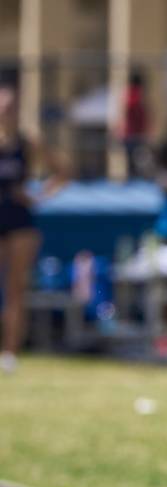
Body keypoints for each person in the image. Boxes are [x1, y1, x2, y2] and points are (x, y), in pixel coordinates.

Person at [0, 84, 67, 374]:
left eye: (10, 107)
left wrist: (39, 195)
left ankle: (10, 353)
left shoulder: (28, 143)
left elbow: (63, 171)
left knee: (15, 289)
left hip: (19, 221)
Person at [118, 72, 150, 180]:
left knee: (133, 159)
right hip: (134, 133)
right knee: (136, 159)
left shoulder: (128, 94)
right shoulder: (136, 94)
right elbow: (134, 113)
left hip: (130, 133)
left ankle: (133, 177)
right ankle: (134, 178)